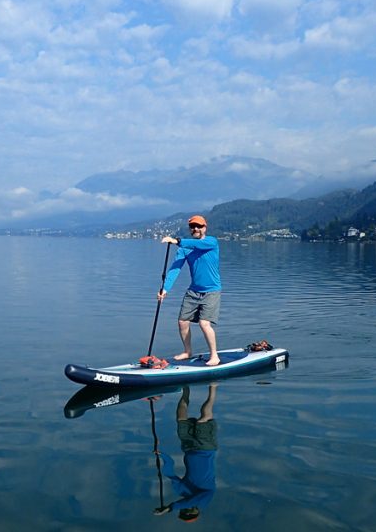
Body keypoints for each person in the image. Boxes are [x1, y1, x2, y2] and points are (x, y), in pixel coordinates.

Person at [159, 215, 222, 366]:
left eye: (199, 226)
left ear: (204, 228)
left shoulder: (211, 242)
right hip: (193, 291)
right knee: (182, 322)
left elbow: (195, 245)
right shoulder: (184, 249)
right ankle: (188, 351)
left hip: (212, 291)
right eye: (193, 226)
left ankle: (215, 356)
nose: (196, 229)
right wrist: (165, 289)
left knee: (204, 323)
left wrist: (177, 241)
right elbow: (175, 269)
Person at [153, 384, 219, 522]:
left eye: (184, 511)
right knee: (203, 419)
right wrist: (172, 507)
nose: (187, 509)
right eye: (189, 512)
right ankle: (213, 387)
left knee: (180, 418)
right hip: (206, 448)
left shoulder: (181, 491)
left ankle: (185, 388)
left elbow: (170, 473)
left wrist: (161, 455)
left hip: (188, 447)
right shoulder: (205, 498)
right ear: (196, 511)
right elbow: (190, 502)